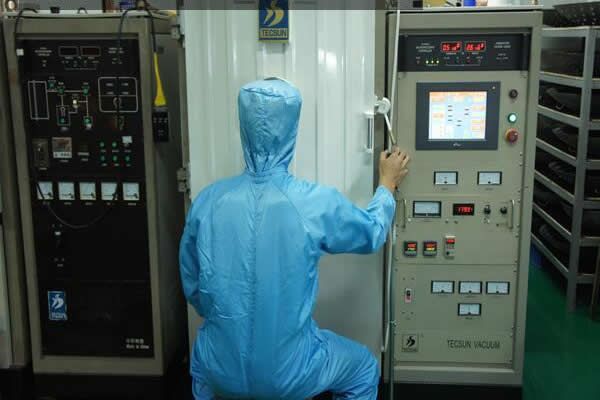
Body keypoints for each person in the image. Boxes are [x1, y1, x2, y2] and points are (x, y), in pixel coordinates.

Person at [180, 79, 410, 400]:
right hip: (289, 373)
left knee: (202, 368)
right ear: (291, 130)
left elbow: (193, 286)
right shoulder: (312, 202)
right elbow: (372, 233)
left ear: (243, 127)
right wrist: (387, 183)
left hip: (218, 367)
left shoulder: (207, 201)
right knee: (363, 370)